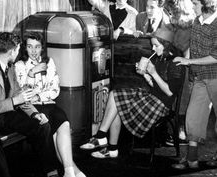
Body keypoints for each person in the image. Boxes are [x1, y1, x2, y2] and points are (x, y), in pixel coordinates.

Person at [80, 28, 184, 158]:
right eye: (152, 45)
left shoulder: (176, 63)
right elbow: (155, 86)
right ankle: (110, 147)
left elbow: (169, 92)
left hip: (161, 106)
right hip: (152, 97)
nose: (153, 49)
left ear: (167, 45)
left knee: (116, 99)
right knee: (115, 96)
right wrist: (146, 75)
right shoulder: (160, 58)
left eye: (156, 45)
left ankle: (103, 139)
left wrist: (153, 73)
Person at [0, 32, 59, 177]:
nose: (18, 52)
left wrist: (35, 113)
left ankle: (51, 172)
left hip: (5, 114)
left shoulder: (9, 67)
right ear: (11, 51)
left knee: (42, 125)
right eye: (17, 49)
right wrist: (13, 101)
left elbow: (20, 95)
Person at [14, 32, 86, 177]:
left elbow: (55, 89)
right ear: (24, 48)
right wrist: (32, 73)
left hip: (48, 103)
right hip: (31, 108)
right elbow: (23, 94)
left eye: (37, 47)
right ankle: (72, 172)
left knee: (63, 122)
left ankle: (69, 171)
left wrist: (39, 95)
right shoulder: (20, 65)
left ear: (42, 48)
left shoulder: (49, 62)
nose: (34, 51)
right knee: (53, 129)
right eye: (30, 46)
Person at [172, 0, 217, 170]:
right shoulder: (197, 22)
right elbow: (191, 46)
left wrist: (189, 61)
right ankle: (191, 158)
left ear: (206, 5)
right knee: (193, 116)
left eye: (195, 3)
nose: (192, 6)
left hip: (215, 77)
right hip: (199, 77)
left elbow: (216, 56)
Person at [163, 0, 196, 146]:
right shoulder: (172, 24)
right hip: (174, 62)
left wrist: (185, 60)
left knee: (184, 97)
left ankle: (181, 128)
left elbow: (188, 50)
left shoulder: (190, 25)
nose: (169, 14)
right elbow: (160, 37)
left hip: (187, 64)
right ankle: (173, 128)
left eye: (171, 12)